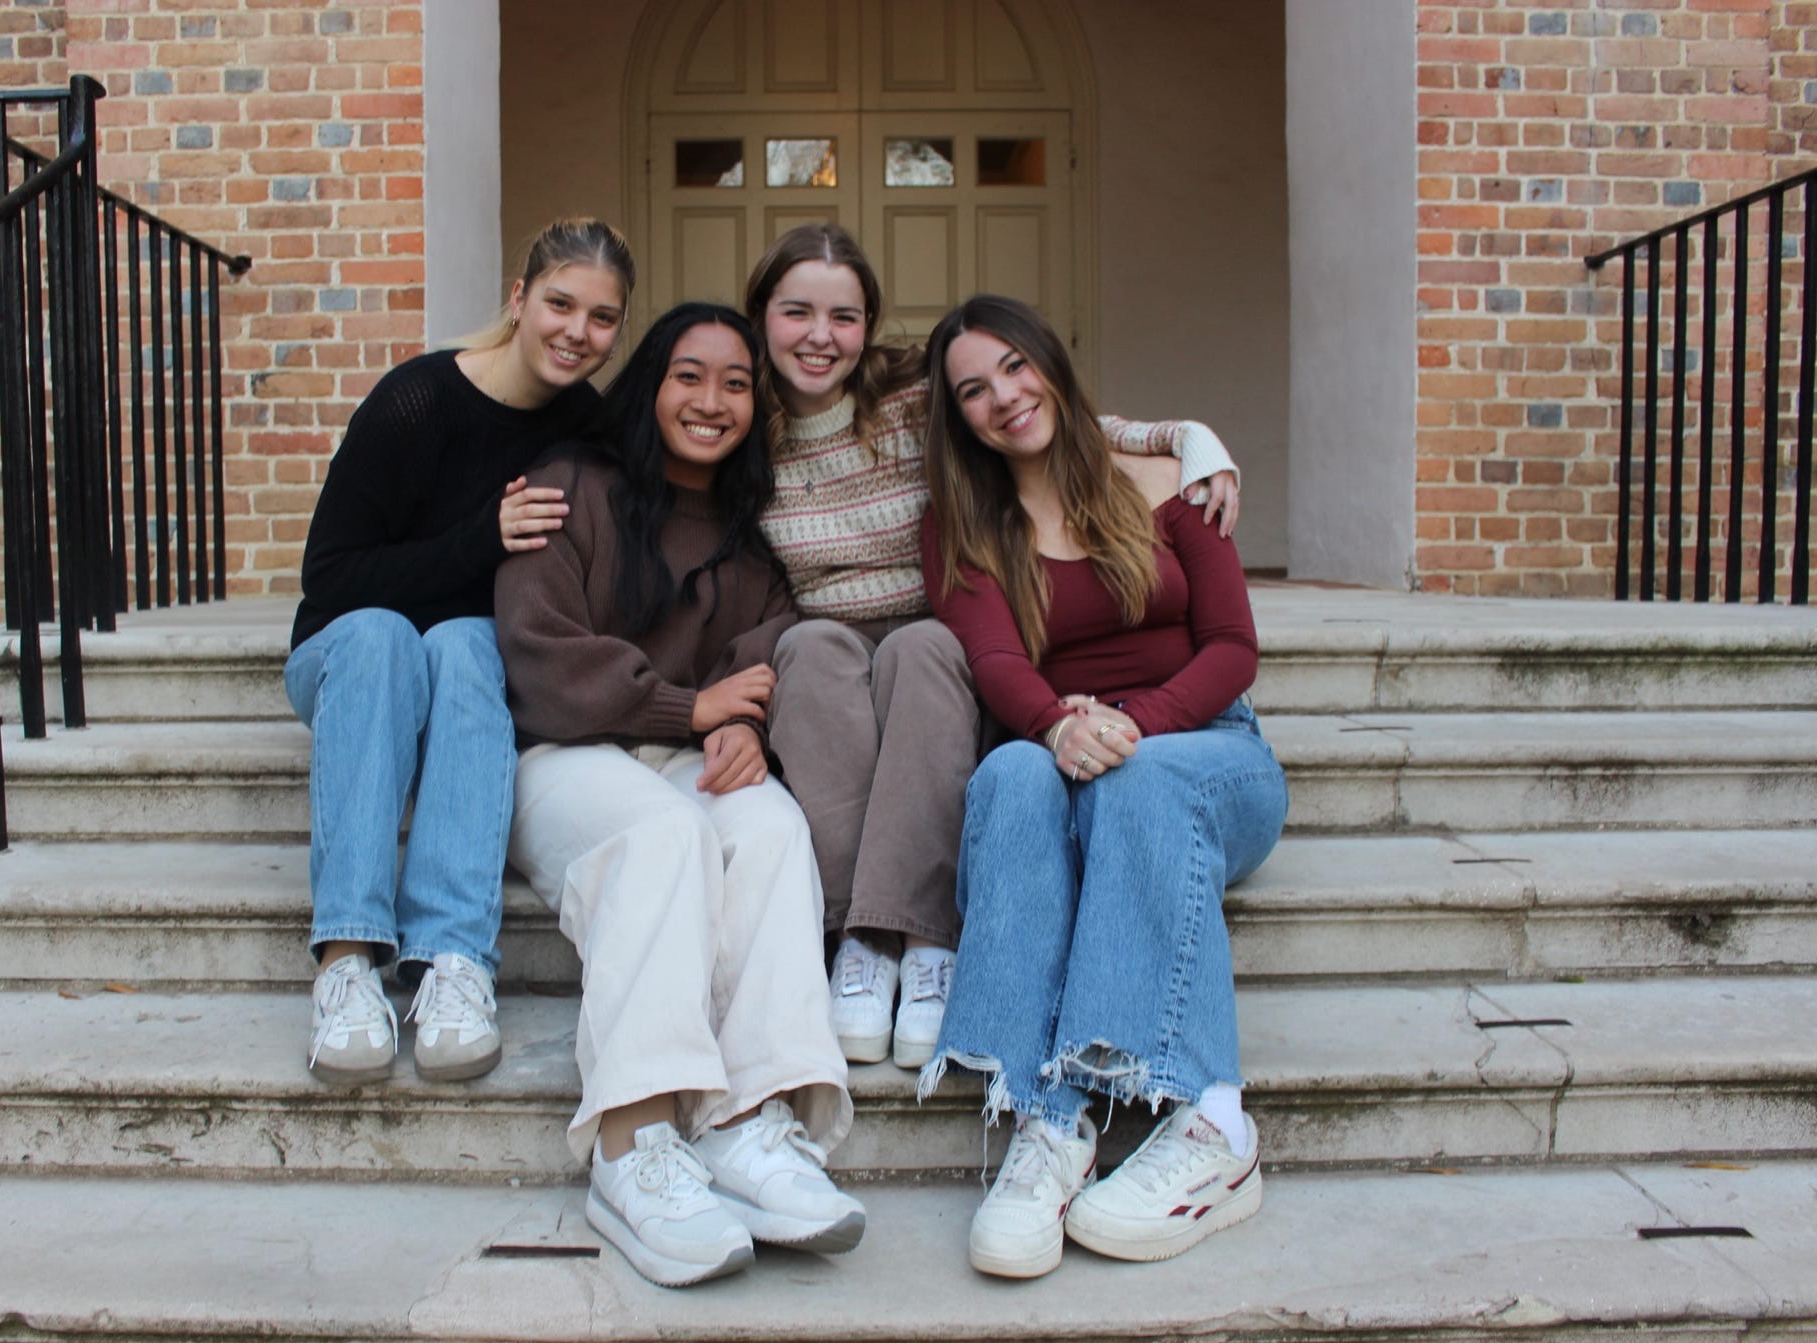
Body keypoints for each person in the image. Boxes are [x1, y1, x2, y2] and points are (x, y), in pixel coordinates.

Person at [744, 224, 1244, 1070]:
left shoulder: (917, 393)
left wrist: (1186, 439)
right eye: (797, 313)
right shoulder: (742, 429)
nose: (821, 337)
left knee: (928, 649)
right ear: (761, 316)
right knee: (815, 650)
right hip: (834, 626)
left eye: (845, 315)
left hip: (941, 625)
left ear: (870, 325)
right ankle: (860, 944)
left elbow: (1044, 416)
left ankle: (929, 938)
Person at [915, 295, 1288, 1279]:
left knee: (1142, 783)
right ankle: (1050, 1125)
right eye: (971, 390)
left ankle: (1212, 1124)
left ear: (1047, 360)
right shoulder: (960, 526)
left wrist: (1132, 726)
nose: (1001, 397)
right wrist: (1055, 724)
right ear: (957, 418)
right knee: (1006, 773)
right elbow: (995, 660)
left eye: (1011, 367)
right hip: (1069, 753)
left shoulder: (1169, 478)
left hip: (1207, 751)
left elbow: (1231, 649)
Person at [495, 302, 861, 1289]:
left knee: (769, 826)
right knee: (662, 834)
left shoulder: (747, 534)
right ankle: (633, 1144)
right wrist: (688, 705)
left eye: (736, 382)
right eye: (688, 375)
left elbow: (760, 651)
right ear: (651, 383)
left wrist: (741, 720)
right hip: (564, 756)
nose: (710, 400)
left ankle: (751, 1127)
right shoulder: (573, 488)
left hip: (674, 749)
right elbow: (537, 653)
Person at [285, 217, 634, 1085]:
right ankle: (348, 959)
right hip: (353, 660)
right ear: (519, 301)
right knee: (384, 633)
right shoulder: (417, 401)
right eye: (560, 303)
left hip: (469, 671)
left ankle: (453, 962)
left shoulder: (586, 432)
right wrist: (483, 539)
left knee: (469, 641)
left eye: (602, 318)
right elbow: (330, 579)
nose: (577, 333)